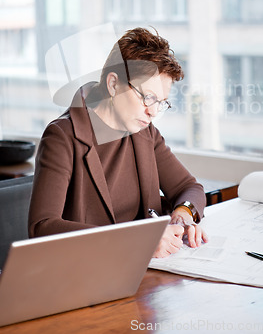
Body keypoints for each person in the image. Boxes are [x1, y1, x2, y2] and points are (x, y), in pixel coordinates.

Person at [28, 27, 208, 258]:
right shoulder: (62, 137)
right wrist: (137, 240)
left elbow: (189, 188)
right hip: (85, 272)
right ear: (113, 84)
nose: (153, 111)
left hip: (144, 270)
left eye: (161, 102)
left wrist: (182, 216)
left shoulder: (145, 132)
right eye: (148, 97)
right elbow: (41, 227)